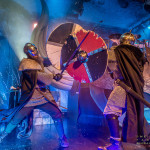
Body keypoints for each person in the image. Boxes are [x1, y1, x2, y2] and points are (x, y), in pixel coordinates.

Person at [0, 43, 69, 148]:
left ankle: (62, 138)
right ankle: (2, 135)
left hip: (42, 96)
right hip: (31, 98)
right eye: (32, 51)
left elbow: (49, 60)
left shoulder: (39, 61)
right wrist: (54, 76)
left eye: (35, 50)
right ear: (28, 53)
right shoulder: (26, 63)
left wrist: (65, 52)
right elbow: (37, 76)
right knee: (16, 118)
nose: (35, 52)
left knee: (57, 114)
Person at [98, 32, 150, 150]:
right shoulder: (139, 55)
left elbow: (110, 68)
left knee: (110, 112)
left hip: (123, 87)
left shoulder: (117, 52)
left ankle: (115, 145)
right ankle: (138, 142)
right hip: (135, 88)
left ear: (121, 41)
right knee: (136, 114)